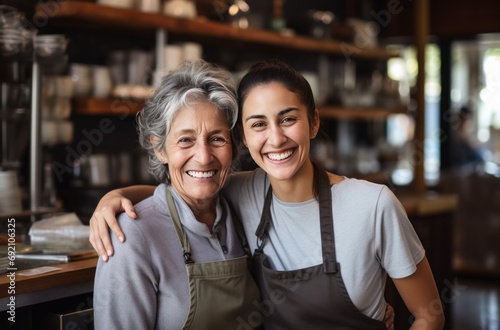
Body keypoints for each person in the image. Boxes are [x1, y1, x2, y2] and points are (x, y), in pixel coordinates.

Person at [90, 59, 440, 329]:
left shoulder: (371, 204)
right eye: (258, 123)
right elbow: (174, 195)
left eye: (288, 119)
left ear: (314, 122)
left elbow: (430, 315)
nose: (275, 139)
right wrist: (113, 198)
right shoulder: (137, 231)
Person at [92, 59, 261, 329]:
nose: (204, 157)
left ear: (234, 145)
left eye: (217, 138)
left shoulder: (243, 208)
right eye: (186, 140)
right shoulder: (132, 236)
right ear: (159, 148)